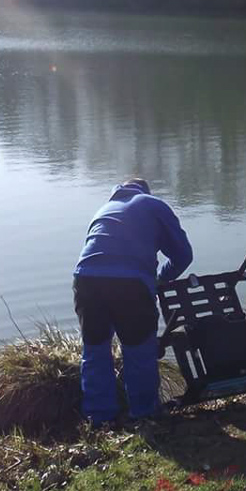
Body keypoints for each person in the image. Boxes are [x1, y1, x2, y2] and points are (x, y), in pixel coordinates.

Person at [73, 178, 193, 426]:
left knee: (95, 349)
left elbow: (98, 253)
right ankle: (144, 415)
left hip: (86, 279)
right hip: (130, 284)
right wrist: (160, 280)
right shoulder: (152, 204)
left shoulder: (103, 210)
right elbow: (183, 255)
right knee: (139, 350)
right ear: (145, 191)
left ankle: (99, 418)